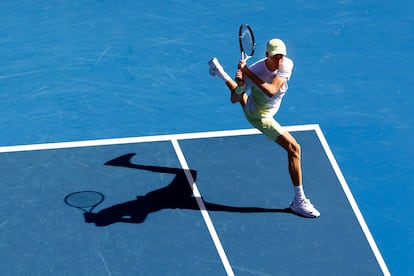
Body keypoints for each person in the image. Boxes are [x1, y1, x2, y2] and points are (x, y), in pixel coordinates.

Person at [208, 38, 320, 218]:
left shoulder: (286, 64)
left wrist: (245, 76)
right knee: (294, 149)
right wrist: (242, 84)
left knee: (244, 98)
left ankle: (219, 71)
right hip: (260, 117)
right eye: (276, 57)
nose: (279, 61)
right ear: (267, 55)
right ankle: (299, 201)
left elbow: (271, 90)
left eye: (281, 56)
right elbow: (234, 99)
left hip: (262, 106)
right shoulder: (255, 71)